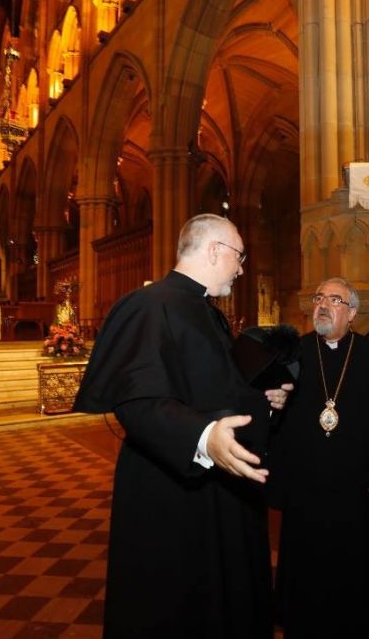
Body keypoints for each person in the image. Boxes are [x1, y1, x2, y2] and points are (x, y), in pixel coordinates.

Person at [72, 213, 292, 638]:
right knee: (179, 606)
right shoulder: (148, 305)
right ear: (214, 251)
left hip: (220, 487)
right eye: (239, 257)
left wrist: (263, 400)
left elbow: (216, 389)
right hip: (170, 489)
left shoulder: (209, 313)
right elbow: (137, 401)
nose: (241, 268)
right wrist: (204, 437)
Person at [268, 277, 369, 638]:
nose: (322, 304)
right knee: (305, 591)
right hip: (305, 496)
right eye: (319, 298)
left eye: (334, 300)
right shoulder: (294, 355)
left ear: (352, 312)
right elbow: (274, 421)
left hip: (356, 499)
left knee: (354, 591)